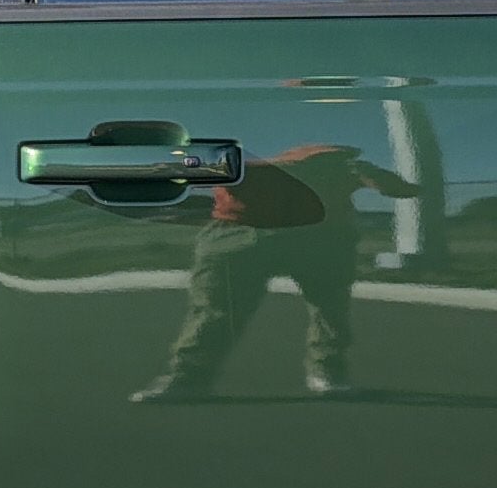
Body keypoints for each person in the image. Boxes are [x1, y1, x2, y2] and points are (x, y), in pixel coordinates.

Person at [132, 139, 421, 401]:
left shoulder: (338, 168)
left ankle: (190, 378)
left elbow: (397, 188)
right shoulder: (331, 166)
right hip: (270, 232)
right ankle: (191, 377)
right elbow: (395, 187)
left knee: (319, 308)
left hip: (302, 234)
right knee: (321, 309)